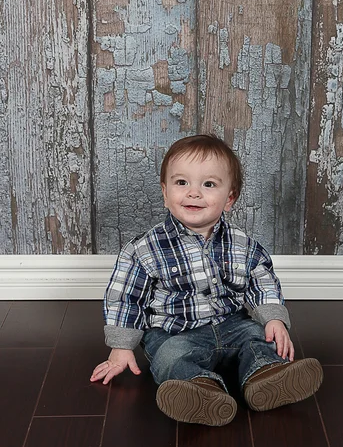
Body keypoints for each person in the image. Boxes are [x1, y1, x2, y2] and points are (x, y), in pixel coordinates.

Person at [90, 134, 323, 426]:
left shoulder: (242, 244)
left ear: (230, 198)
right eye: (181, 183)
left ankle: (266, 377)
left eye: (208, 184)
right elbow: (126, 298)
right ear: (165, 193)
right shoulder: (144, 249)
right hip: (175, 331)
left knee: (258, 340)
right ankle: (200, 391)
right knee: (172, 357)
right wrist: (122, 346)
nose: (194, 193)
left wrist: (273, 318)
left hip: (232, 325)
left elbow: (262, 280)